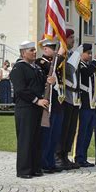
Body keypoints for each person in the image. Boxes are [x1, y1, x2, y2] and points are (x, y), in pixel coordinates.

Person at [10, 41, 54, 179]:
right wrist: (37, 100)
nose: (35, 52)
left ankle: (35, 167)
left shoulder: (36, 68)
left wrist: (48, 80)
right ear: (23, 53)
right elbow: (21, 90)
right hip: (25, 107)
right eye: (31, 50)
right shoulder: (19, 68)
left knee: (36, 138)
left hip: (37, 108)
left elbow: (39, 84)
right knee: (25, 139)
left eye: (35, 50)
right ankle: (24, 170)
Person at [36, 39, 66, 173]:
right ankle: (44, 162)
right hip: (48, 103)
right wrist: (59, 57)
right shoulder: (41, 63)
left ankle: (51, 161)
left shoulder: (55, 63)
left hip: (57, 103)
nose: (53, 50)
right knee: (47, 136)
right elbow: (50, 72)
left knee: (55, 135)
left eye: (55, 48)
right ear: (45, 49)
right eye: (51, 48)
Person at [57, 29, 81, 169]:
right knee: (63, 127)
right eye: (70, 37)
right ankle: (58, 155)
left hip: (74, 96)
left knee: (71, 129)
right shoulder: (62, 55)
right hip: (64, 95)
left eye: (73, 37)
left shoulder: (72, 54)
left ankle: (65, 155)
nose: (73, 40)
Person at [75, 43, 96, 167]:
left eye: (91, 53)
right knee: (82, 132)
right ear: (81, 53)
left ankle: (83, 156)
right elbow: (87, 73)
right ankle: (78, 157)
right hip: (84, 103)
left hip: (91, 103)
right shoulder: (79, 65)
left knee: (88, 132)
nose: (90, 55)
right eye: (88, 53)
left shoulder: (88, 65)